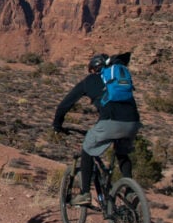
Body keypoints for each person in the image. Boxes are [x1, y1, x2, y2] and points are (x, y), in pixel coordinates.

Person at [52, 53, 141, 206]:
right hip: (133, 121)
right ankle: (130, 191)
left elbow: (64, 105)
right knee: (122, 152)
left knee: (87, 148)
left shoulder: (89, 81)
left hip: (110, 121)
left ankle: (85, 193)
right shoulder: (117, 78)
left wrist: (57, 125)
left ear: (93, 69)